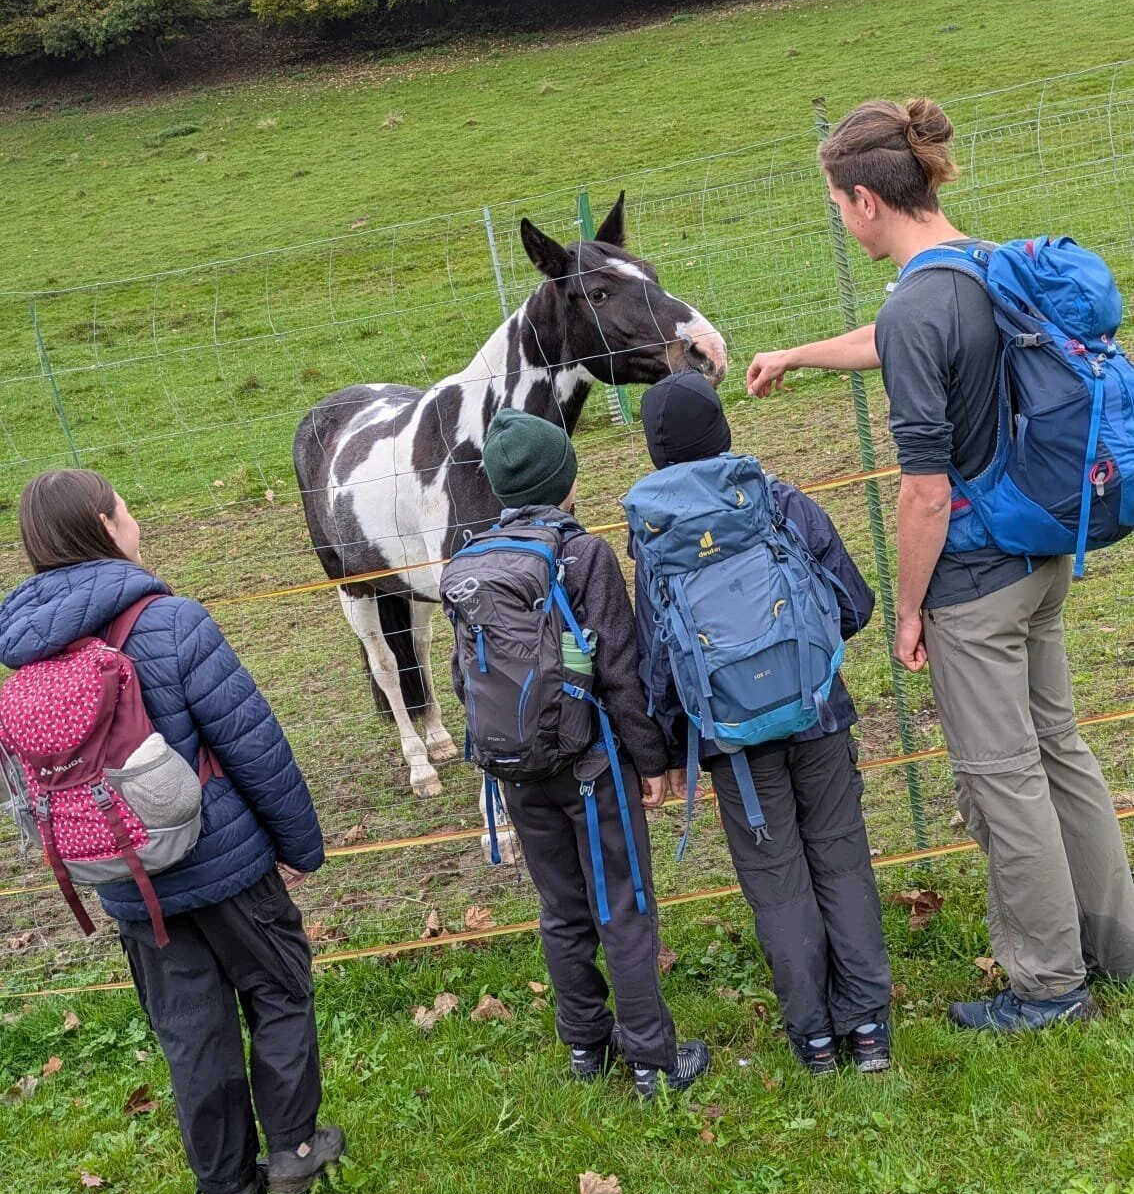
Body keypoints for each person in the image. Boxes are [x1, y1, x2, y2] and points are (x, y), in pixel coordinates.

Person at [746, 96, 1134, 1030]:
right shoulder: (980, 267)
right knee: (1061, 752)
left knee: (1003, 777)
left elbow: (922, 494)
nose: (840, 221)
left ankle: (1047, 986)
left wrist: (911, 609)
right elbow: (896, 343)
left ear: (866, 200)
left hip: (975, 581)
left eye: (838, 204)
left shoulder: (922, 304)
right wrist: (800, 352)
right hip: (1042, 551)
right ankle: (1117, 947)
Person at [0, 468, 341, 1194]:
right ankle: (292, 1151)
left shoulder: (28, 656)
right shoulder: (173, 622)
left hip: (125, 877)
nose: (134, 515)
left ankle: (223, 1192)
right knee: (280, 990)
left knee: (190, 1029)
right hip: (225, 867)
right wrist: (299, 846)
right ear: (102, 522)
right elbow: (253, 746)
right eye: (126, 505)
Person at [632, 370, 891, 1073]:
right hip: (816, 714)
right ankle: (867, 1029)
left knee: (775, 879)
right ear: (723, 427)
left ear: (656, 451)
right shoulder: (779, 501)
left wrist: (674, 747)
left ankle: (813, 1040)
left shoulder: (655, 538)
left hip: (730, 743)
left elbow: (658, 660)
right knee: (839, 855)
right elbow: (854, 605)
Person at [454, 406, 711, 1100]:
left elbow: (462, 676)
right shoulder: (583, 554)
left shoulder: (471, 564)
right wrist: (651, 759)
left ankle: (584, 1048)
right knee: (621, 907)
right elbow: (621, 670)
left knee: (562, 909)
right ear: (565, 478)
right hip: (592, 766)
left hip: (514, 768)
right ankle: (654, 1062)